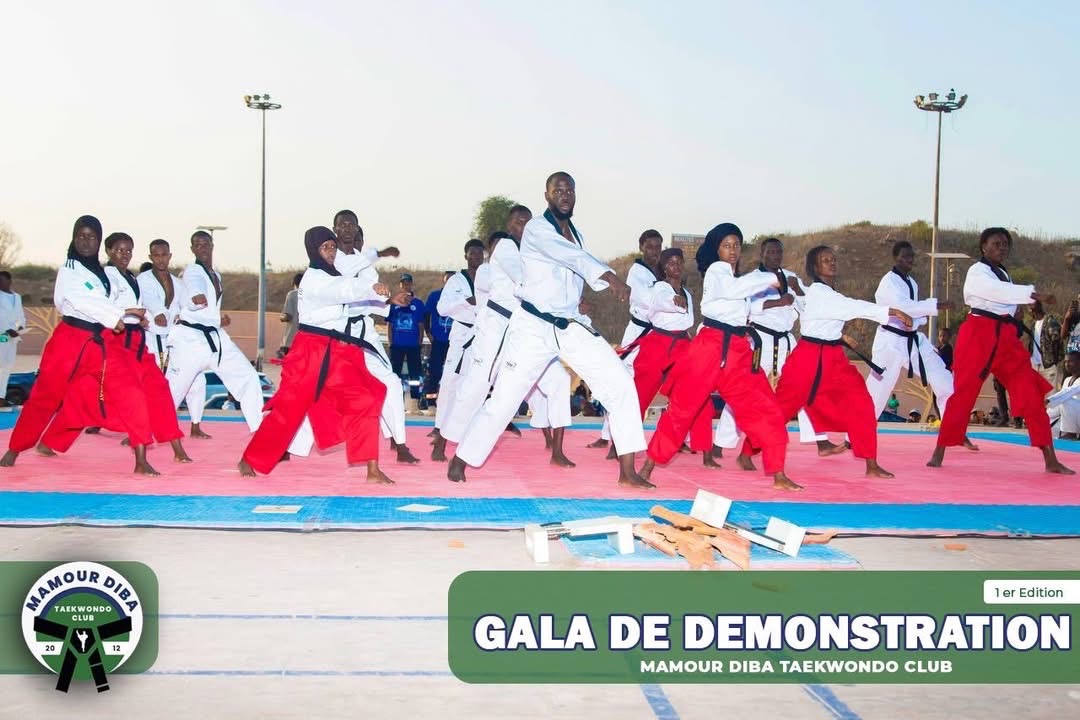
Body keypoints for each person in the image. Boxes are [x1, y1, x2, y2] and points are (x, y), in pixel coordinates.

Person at [449, 171, 651, 487]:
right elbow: (569, 256)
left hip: (570, 326)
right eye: (558, 190)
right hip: (533, 328)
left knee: (621, 382)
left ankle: (627, 471)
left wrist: (582, 299)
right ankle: (462, 457)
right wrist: (610, 277)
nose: (565, 194)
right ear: (547, 195)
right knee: (504, 399)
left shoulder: (577, 234)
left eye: (569, 190)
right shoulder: (537, 230)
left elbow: (571, 270)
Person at [641, 224, 800, 490]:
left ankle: (779, 473)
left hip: (738, 349)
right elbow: (735, 290)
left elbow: (749, 305)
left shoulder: (737, 279)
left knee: (765, 406)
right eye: (727, 245)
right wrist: (775, 277)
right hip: (710, 347)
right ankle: (648, 465)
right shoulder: (717, 271)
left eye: (736, 244)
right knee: (683, 407)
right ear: (717, 249)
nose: (733, 250)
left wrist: (779, 297)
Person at [0, 216, 159, 474]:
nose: (86, 241)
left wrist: (126, 313)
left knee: (130, 389)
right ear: (73, 239)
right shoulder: (70, 270)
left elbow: (102, 302)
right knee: (45, 397)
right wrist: (116, 315)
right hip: (70, 340)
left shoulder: (100, 272)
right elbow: (80, 299)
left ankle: (140, 458)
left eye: (92, 237)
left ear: (99, 241)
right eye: (81, 236)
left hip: (101, 343)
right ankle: (15, 448)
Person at [742, 245, 913, 478]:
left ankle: (871, 463)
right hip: (808, 357)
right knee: (781, 409)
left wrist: (841, 336)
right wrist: (893, 311)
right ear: (814, 267)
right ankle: (747, 451)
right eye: (825, 260)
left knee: (862, 403)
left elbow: (816, 309)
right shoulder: (822, 294)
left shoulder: (822, 293)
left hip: (834, 359)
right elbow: (854, 307)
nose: (831, 262)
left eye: (833, 259)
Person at [238, 227, 393, 480]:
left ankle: (372, 469)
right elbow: (342, 290)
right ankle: (249, 458)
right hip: (310, 353)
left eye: (332, 247)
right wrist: (371, 288)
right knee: (289, 410)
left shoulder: (335, 270)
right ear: (313, 251)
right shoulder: (314, 279)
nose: (331, 252)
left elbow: (352, 264)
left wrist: (377, 255)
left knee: (365, 399)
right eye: (325, 248)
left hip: (338, 353)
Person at [36, 232, 192, 464]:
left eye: (128, 250)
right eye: (119, 250)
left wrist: (142, 316)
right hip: (114, 342)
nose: (125, 254)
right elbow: (102, 306)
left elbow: (138, 307)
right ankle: (139, 460)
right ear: (108, 251)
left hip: (138, 342)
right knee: (119, 398)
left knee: (159, 390)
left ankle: (177, 447)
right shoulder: (105, 276)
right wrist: (129, 312)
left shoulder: (129, 276)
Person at [929, 228, 1073, 474]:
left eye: (1005, 244)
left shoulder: (1003, 274)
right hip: (978, 335)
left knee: (1029, 391)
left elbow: (1006, 299)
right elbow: (993, 291)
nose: (1002, 248)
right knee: (963, 393)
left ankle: (1050, 458)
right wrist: (1032, 294)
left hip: (1005, 338)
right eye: (996, 243)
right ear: (983, 247)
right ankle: (939, 451)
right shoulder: (977, 272)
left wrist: (1019, 306)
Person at [441, 208, 574, 473]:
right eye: (517, 221)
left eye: (527, 222)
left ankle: (557, 449)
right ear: (509, 224)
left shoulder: (535, 252)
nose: (522, 226)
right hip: (498, 326)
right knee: (478, 385)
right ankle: (446, 442)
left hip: (527, 329)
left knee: (558, 380)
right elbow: (524, 280)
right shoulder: (505, 247)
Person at [711, 237, 842, 459]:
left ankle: (821, 441)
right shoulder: (752, 279)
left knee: (802, 386)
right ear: (762, 254)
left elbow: (807, 304)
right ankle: (719, 444)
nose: (775, 256)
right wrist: (778, 302)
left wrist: (798, 290)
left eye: (778, 252)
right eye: (770, 252)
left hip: (785, 341)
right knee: (746, 392)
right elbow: (746, 307)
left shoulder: (790, 277)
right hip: (760, 341)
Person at [862, 241, 977, 450]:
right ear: (895, 258)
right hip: (890, 343)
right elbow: (905, 307)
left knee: (945, 381)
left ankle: (955, 431)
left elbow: (914, 313)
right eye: (905, 256)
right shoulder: (888, 282)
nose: (909, 260)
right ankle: (855, 437)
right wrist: (936, 305)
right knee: (877, 391)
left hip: (914, 341)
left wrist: (923, 313)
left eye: (911, 256)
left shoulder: (912, 283)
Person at [330, 209, 418, 464]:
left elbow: (371, 298)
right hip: (333, 332)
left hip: (363, 333)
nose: (347, 228)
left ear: (358, 230)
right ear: (335, 229)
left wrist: (391, 301)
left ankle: (399, 443)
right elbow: (347, 291)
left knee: (390, 382)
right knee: (313, 391)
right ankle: (286, 445)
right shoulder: (329, 260)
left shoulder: (366, 266)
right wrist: (378, 256)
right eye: (342, 224)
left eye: (352, 224)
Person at [164, 230, 266, 439]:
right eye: (197, 245)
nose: (202, 248)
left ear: (212, 245)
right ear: (192, 249)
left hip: (215, 339)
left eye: (205, 244)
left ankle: (261, 432)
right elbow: (195, 290)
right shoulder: (193, 271)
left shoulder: (215, 275)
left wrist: (217, 319)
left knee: (247, 376)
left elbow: (208, 311)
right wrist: (196, 298)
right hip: (190, 342)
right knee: (171, 394)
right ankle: (143, 434)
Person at [624, 247, 717, 468]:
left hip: (683, 345)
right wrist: (674, 300)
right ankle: (622, 444)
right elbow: (663, 302)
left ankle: (706, 451)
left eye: (679, 262)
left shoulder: (689, 293)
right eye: (671, 263)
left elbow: (688, 320)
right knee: (640, 394)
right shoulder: (658, 289)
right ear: (664, 267)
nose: (676, 266)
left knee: (698, 394)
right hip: (657, 343)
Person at [589, 229, 662, 456]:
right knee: (624, 383)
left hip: (660, 334)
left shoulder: (661, 271)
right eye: (649, 246)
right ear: (641, 247)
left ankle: (680, 438)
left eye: (658, 247)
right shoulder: (637, 272)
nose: (654, 251)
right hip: (639, 333)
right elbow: (649, 301)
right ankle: (611, 438)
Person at [431, 239, 486, 461]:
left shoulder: (487, 279)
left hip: (482, 337)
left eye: (480, 254)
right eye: (472, 254)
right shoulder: (455, 280)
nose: (476, 257)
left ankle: (465, 433)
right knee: (449, 386)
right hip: (461, 337)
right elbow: (441, 308)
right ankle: (439, 430)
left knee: (475, 388)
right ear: (465, 255)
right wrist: (466, 301)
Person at [137, 239, 205, 403]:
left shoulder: (177, 282)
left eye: (164, 255)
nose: (161, 259)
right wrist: (159, 313)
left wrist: (197, 303)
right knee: (152, 377)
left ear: (170, 256)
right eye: (156, 255)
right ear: (151, 257)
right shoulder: (143, 279)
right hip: (153, 337)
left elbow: (184, 304)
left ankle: (161, 417)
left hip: (172, 337)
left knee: (172, 379)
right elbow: (150, 299)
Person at [387, 273, 426, 382]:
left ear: (411, 284)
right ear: (400, 285)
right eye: (403, 283)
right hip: (397, 345)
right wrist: (390, 342)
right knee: (395, 372)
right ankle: (395, 393)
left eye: (408, 283)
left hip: (413, 345)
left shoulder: (418, 303)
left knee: (415, 373)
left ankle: (415, 395)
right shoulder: (394, 303)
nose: (406, 285)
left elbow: (421, 325)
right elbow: (390, 324)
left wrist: (420, 342)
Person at [424, 271, 455, 393]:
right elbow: (426, 314)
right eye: (448, 280)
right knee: (435, 371)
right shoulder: (435, 296)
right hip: (438, 340)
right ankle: (430, 401)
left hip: (455, 342)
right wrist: (428, 332)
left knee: (453, 372)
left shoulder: (461, 296)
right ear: (444, 281)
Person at [0, 271, 26, 404]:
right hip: (2, 336)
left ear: (9, 281)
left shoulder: (17, 297)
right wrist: (7, 329)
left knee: (7, 367)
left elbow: (19, 315)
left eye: (2, 280)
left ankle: (1, 396)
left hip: (13, 338)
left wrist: (20, 327)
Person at [1028, 299, 1063, 391]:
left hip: (1048, 366)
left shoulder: (1050, 322)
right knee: (1035, 396)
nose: (1030, 307)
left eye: (1032, 304)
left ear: (1039, 306)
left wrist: (1053, 362)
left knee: (1050, 399)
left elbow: (1057, 341)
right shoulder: (1033, 324)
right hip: (1035, 365)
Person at [1047, 351, 1080, 440]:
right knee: (1046, 421)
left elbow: (1068, 392)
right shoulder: (1067, 380)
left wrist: (1049, 400)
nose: (1067, 364)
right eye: (1065, 362)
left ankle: (1071, 434)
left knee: (1067, 401)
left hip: (1076, 417)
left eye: (1070, 361)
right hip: (1073, 417)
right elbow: (1058, 403)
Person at [277, 273, 302, 359]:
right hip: (308, 340)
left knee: (290, 369)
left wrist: (281, 317)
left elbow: (288, 316)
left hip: (291, 340)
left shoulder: (292, 294)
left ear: (295, 284)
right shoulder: (312, 296)